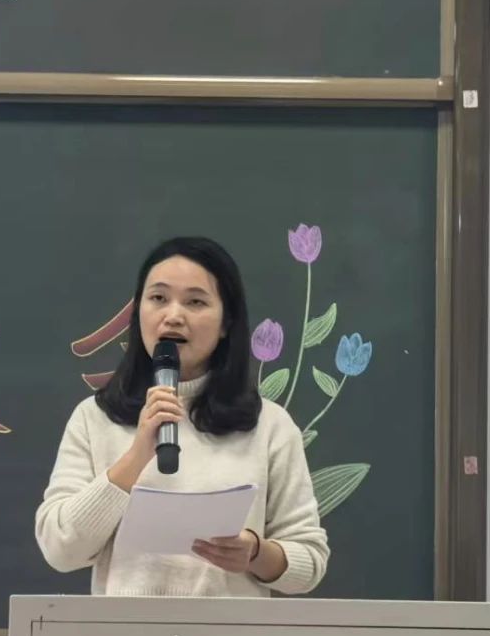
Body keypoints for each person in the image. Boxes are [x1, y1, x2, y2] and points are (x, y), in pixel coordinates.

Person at [35, 236, 329, 597]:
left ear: (226, 323)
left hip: (231, 632)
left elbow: (309, 563)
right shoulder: (94, 418)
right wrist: (137, 455)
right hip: (124, 632)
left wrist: (254, 552)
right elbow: (59, 549)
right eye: (158, 298)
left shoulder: (269, 425)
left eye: (195, 302)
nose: (173, 316)